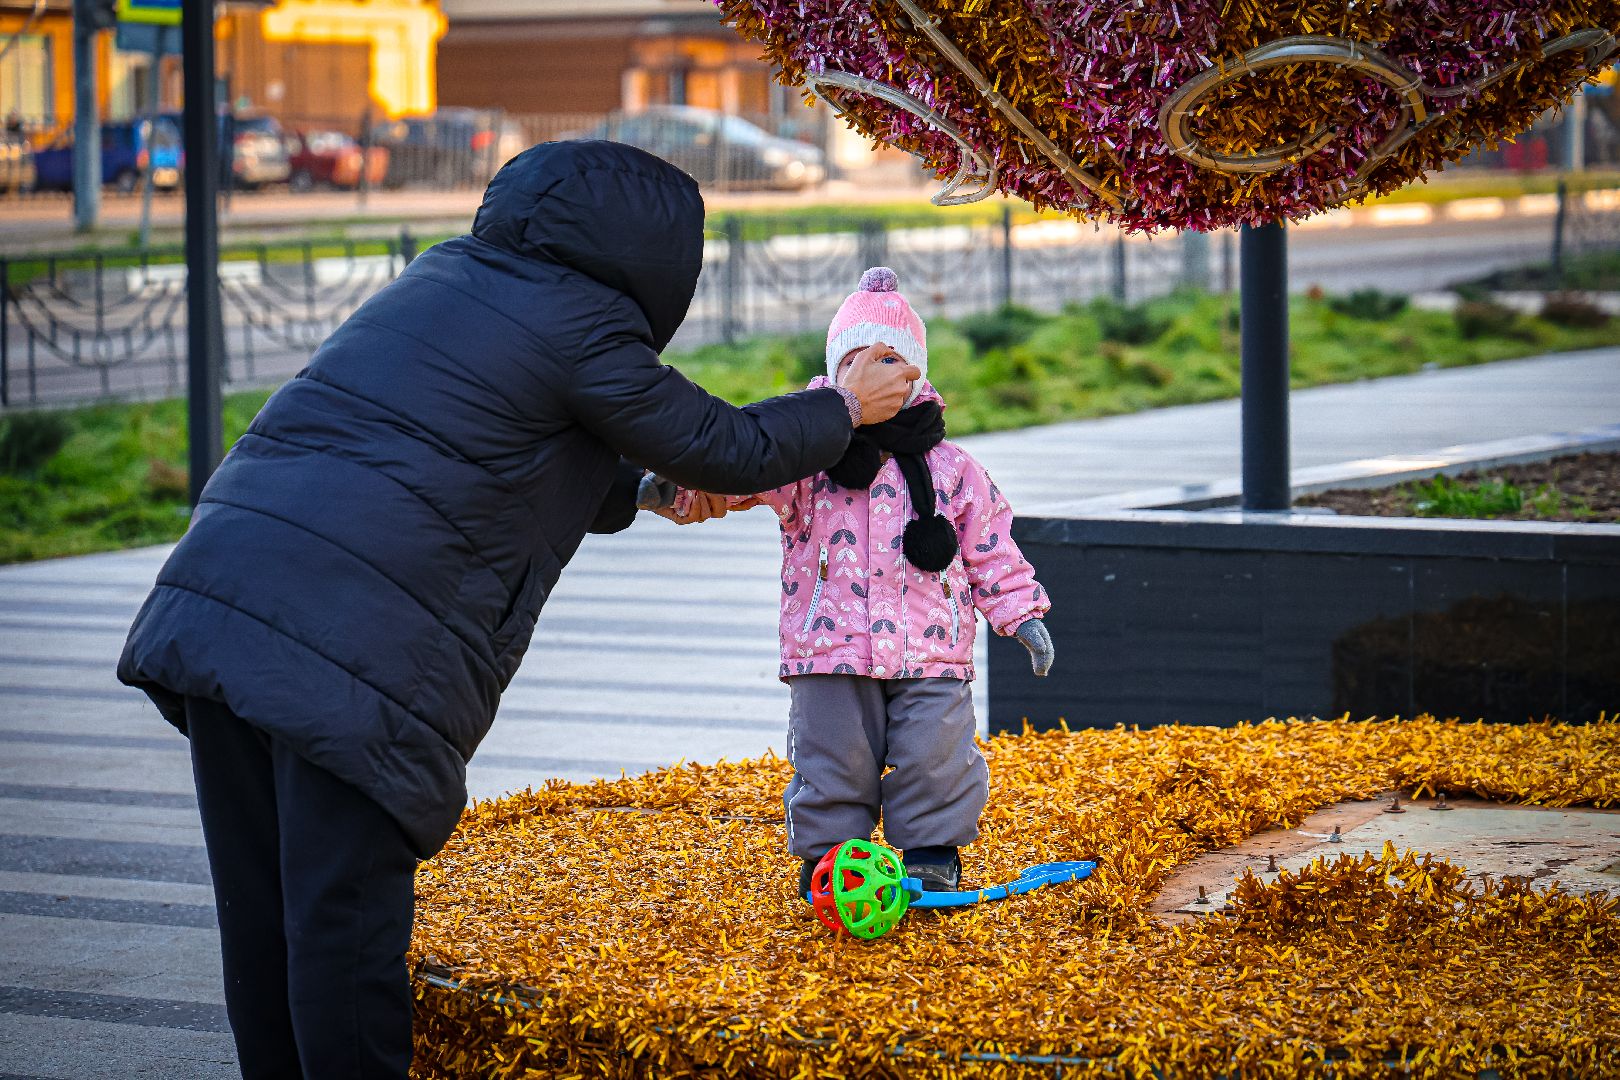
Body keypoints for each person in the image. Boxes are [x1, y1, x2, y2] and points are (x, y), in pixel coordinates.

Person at [115, 142, 918, 1079]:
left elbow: (497, 437)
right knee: (344, 942)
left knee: (264, 925)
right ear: (657, 261)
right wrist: (841, 405)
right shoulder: (582, 326)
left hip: (222, 605)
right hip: (350, 661)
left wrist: (652, 492)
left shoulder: (446, 277)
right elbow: (725, 442)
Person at [643, 267, 1054, 899]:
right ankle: (833, 860)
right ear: (836, 372)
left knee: (937, 755)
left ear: (915, 373)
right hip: (829, 649)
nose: (872, 372)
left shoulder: (954, 469)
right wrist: (684, 489)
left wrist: (1021, 615)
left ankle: (930, 854)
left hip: (932, 651)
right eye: (854, 360)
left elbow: (990, 548)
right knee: (833, 760)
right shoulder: (809, 460)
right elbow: (741, 476)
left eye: (889, 359)